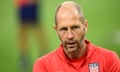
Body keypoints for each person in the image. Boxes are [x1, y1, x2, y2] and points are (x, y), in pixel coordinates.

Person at [33, 1, 120, 72]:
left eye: (75, 27)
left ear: (85, 26)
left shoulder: (108, 60)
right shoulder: (44, 66)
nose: (70, 36)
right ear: (56, 30)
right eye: (63, 29)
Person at [15, 0, 49, 72]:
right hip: (21, 4)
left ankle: (45, 54)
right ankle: (24, 57)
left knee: (37, 28)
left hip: (31, 3)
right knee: (23, 30)